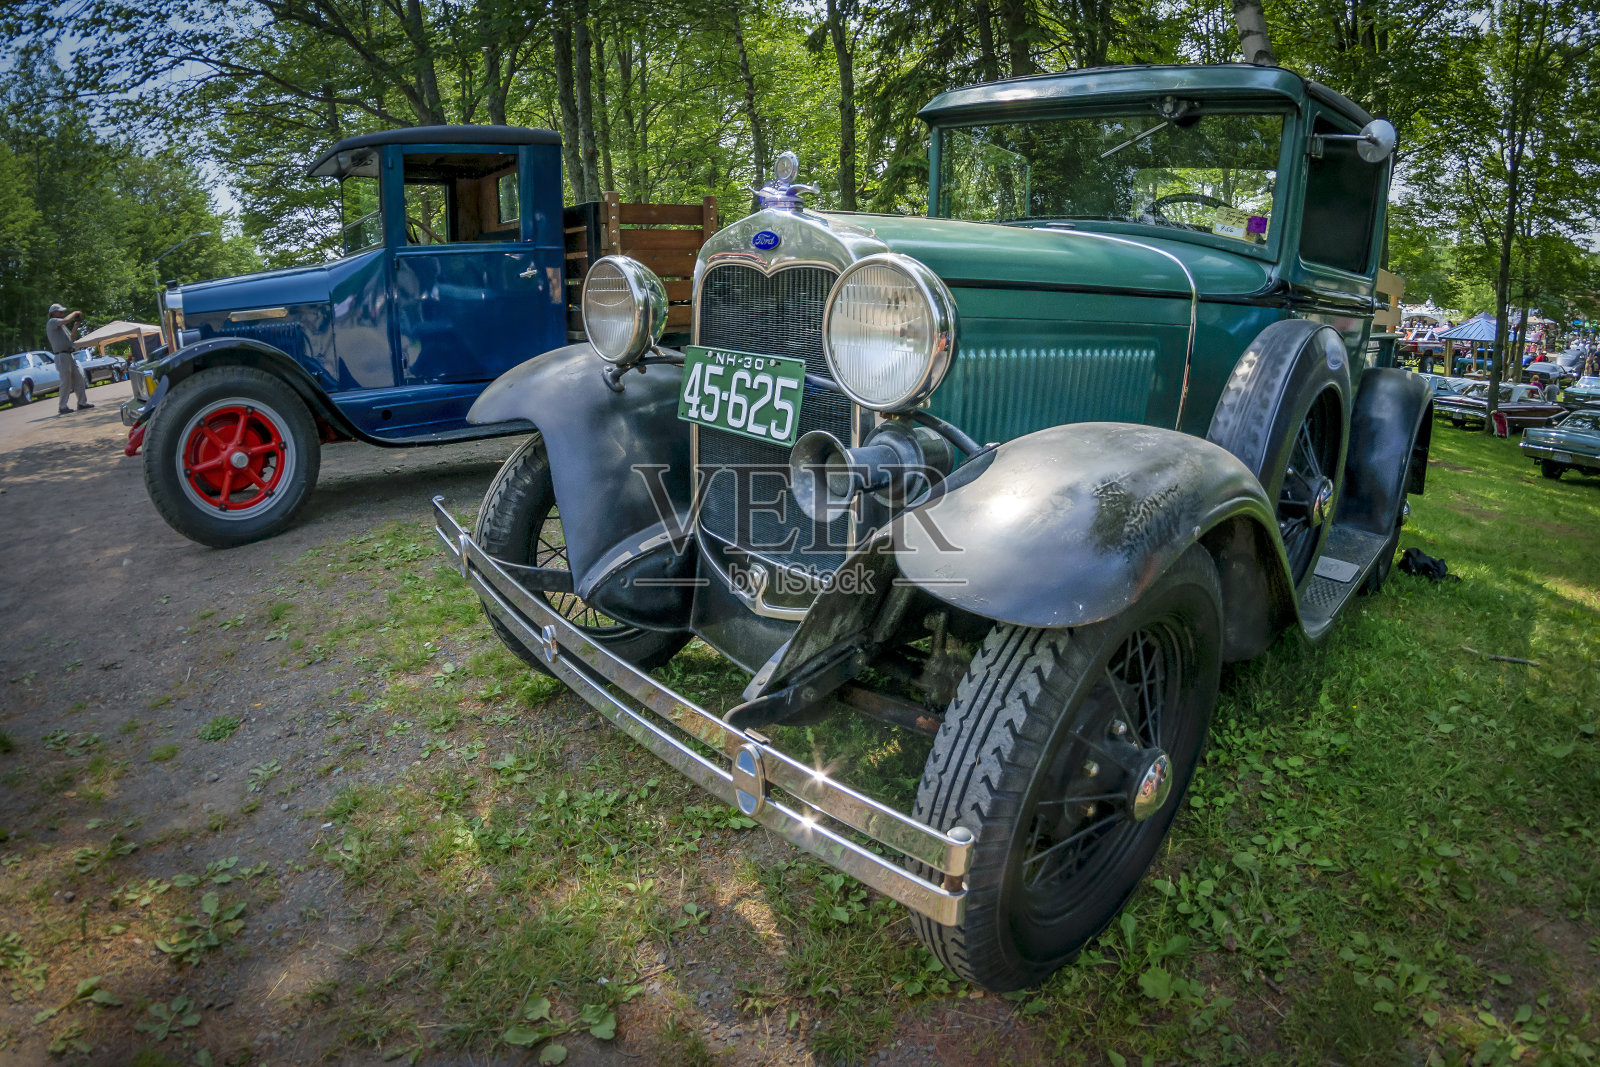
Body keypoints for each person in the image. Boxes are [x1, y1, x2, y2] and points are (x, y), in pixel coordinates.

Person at [46, 303, 92, 414]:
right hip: (61, 355)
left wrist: (75, 327)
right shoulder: (52, 322)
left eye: (62, 312)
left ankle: (82, 403)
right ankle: (62, 406)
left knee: (79, 379)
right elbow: (65, 320)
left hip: (69, 354)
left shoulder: (62, 326)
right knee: (66, 381)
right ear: (53, 313)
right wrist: (75, 313)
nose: (62, 313)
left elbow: (71, 339)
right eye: (60, 311)